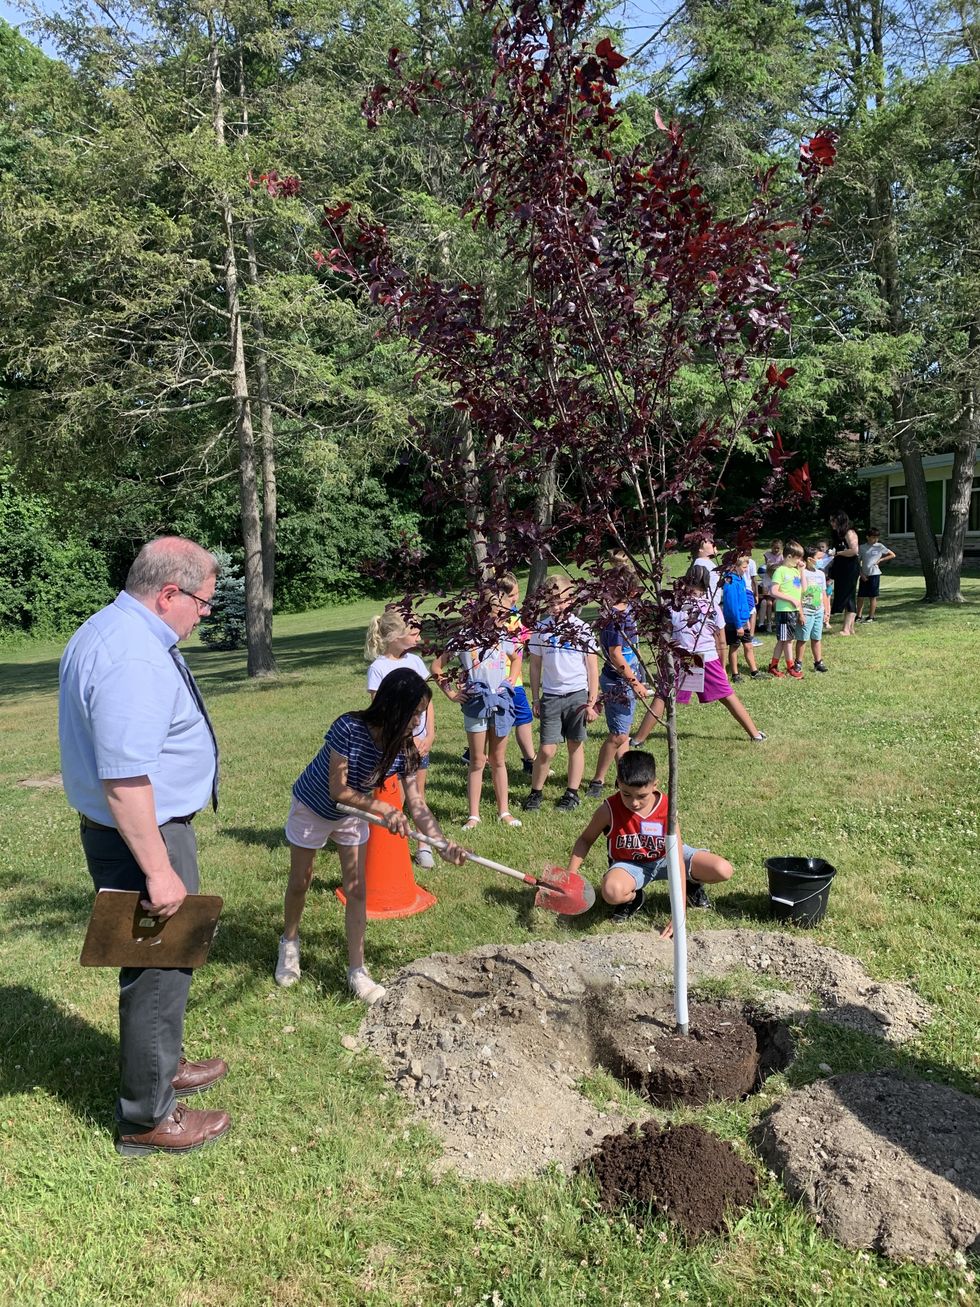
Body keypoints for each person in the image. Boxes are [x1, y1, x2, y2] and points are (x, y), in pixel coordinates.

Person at [59, 536, 230, 1156]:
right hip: (143, 834)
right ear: (168, 594)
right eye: (203, 603)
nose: (204, 614)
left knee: (163, 962)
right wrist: (159, 871)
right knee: (160, 964)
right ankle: (148, 1117)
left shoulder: (109, 630)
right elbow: (126, 779)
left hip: (137, 829)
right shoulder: (134, 657)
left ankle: (162, 1065)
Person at [276, 669, 465, 996]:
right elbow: (338, 789)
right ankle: (289, 943)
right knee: (300, 881)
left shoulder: (404, 748)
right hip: (313, 806)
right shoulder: (348, 728)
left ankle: (357, 970)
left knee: (357, 889)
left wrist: (442, 843)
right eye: (415, 712)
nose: (418, 721)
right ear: (394, 706)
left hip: (353, 816)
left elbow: (417, 803)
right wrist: (384, 808)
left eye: (422, 713)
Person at [565, 749, 733, 926]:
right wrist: (571, 873)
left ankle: (691, 885)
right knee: (611, 891)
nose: (634, 802)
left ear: (655, 785)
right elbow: (585, 840)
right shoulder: (608, 810)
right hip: (631, 864)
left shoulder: (667, 806)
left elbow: (676, 856)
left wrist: (679, 911)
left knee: (722, 869)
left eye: (642, 796)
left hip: (667, 857)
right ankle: (633, 898)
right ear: (618, 784)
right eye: (626, 794)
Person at [632, 565, 766, 743]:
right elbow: (721, 641)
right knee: (727, 696)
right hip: (707, 657)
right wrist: (722, 666)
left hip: (681, 658)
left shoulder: (673, 607)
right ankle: (755, 734)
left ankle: (637, 740)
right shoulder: (712, 607)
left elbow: (664, 635)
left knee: (663, 696)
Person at [431, 586, 523, 830]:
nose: (501, 619)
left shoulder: (503, 636)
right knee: (477, 760)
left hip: (501, 703)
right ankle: (474, 815)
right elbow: (437, 667)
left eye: (503, 614)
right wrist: (451, 693)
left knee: (499, 759)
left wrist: (510, 681)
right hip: (475, 704)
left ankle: (504, 811)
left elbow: (516, 659)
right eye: (497, 614)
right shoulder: (464, 638)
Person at [522, 575, 600, 812]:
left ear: (571, 599)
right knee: (547, 749)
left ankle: (572, 792)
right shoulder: (541, 630)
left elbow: (592, 667)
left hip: (577, 694)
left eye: (560, 601)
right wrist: (535, 698)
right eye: (551, 602)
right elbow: (535, 666)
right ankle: (536, 792)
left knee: (575, 744)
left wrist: (591, 701)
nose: (555, 606)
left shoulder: (581, 628)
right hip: (552, 697)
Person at [365, 609, 435, 866]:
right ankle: (390, 845)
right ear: (395, 637)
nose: (419, 637)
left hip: (419, 742)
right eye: (413, 633)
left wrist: (429, 734)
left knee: (418, 793)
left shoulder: (416, 662)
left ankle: (424, 846)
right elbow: (379, 710)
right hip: (396, 744)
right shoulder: (378, 668)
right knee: (396, 797)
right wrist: (399, 739)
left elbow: (428, 703)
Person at [585, 557, 649, 800]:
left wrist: (641, 671)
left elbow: (633, 646)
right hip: (618, 681)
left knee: (623, 732)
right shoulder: (614, 619)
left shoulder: (627, 613)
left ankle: (623, 778)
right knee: (619, 735)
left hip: (629, 677)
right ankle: (597, 780)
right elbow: (615, 654)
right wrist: (635, 682)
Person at [721, 556, 764, 682]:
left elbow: (744, 600)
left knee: (749, 645)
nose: (746, 570)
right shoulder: (730, 581)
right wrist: (738, 624)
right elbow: (733, 605)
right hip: (734, 621)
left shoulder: (741, 580)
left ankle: (754, 671)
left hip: (743, 619)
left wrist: (747, 620)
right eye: (744, 567)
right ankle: (735, 674)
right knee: (734, 646)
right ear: (735, 566)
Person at [768, 542, 806, 678]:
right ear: (789, 556)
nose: (799, 561)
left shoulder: (795, 570)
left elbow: (803, 588)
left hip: (793, 611)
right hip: (784, 611)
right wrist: (790, 599)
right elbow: (773, 591)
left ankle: (773, 665)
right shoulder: (781, 571)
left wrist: (802, 571)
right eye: (798, 558)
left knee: (784, 640)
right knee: (787, 640)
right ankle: (790, 667)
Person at [794, 545, 830, 673]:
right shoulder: (801, 573)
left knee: (816, 637)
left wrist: (827, 611)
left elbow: (824, 593)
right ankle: (798, 662)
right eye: (819, 558)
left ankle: (818, 662)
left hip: (818, 610)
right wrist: (801, 613)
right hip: (806, 610)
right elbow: (797, 593)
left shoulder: (820, 574)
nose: (822, 560)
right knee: (802, 638)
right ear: (809, 559)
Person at [828, 511, 861, 635]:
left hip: (850, 568)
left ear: (840, 520)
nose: (831, 523)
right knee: (847, 595)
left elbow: (854, 551)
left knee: (848, 596)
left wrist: (838, 553)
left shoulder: (849, 532)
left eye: (833, 520)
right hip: (842, 567)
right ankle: (850, 628)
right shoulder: (838, 534)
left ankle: (846, 629)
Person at [857, 527, 896, 622]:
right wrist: (861, 574)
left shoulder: (880, 546)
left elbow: (892, 555)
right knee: (860, 597)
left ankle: (871, 617)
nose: (875, 539)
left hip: (875, 574)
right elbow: (857, 563)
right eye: (873, 537)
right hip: (864, 575)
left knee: (872, 596)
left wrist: (880, 560)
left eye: (877, 538)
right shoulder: (862, 547)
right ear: (867, 537)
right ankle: (858, 616)